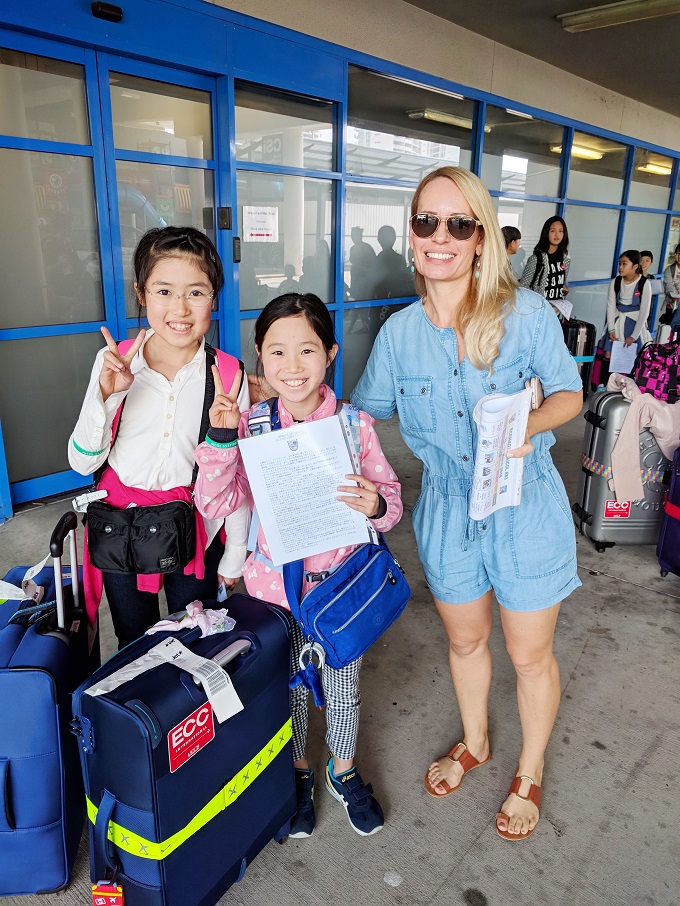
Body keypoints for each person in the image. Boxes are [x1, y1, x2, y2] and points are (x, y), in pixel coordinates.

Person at [351, 166, 583, 841]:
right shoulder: (398, 335)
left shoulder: (526, 314)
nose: (441, 237)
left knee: (529, 654)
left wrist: (527, 427)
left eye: (459, 224)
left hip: (523, 500)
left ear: (480, 236)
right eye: (427, 222)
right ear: (411, 234)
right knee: (465, 638)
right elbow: (361, 420)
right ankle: (476, 741)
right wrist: (284, 391)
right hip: (449, 506)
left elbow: (569, 394)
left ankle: (530, 768)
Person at [193, 292, 403, 839]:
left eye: (307, 350)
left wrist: (375, 505)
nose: (292, 366)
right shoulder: (252, 426)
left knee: (343, 686)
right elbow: (216, 502)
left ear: (330, 353)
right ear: (260, 356)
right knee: (286, 688)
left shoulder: (355, 427)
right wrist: (221, 438)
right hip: (275, 593)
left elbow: (391, 502)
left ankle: (342, 768)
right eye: (277, 351)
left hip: (340, 592)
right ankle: (298, 769)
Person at [68, 227, 250, 648]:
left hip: (196, 531)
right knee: (134, 640)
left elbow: (234, 476)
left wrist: (235, 551)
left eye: (196, 292)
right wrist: (107, 397)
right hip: (120, 528)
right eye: (164, 291)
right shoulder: (115, 361)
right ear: (141, 293)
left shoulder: (228, 374)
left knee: (195, 636)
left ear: (214, 298)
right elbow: (82, 462)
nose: (180, 308)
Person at [596, 250, 652, 387]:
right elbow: (611, 306)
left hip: (634, 323)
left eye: (624, 264)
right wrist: (611, 329)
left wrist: (634, 336)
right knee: (608, 353)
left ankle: (627, 387)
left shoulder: (644, 284)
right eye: (619, 263)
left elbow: (644, 312)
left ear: (635, 266)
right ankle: (604, 386)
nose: (620, 267)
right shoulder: (616, 282)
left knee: (631, 356)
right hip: (617, 321)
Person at [519, 216, 570, 314]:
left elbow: (560, 283)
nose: (557, 235)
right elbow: (523, 286)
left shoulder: (566, 260)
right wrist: (535, 302)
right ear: (546, 233)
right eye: (553, 231)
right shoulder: (536, 259)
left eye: (561, 231)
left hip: (556, 311)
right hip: (538, 311)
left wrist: (564, 290)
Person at [662, 243, 680, 329]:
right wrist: (672, 295)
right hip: (673, 306)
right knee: (670, 330)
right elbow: (668, 286)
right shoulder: (670, 269)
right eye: (678, 254)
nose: (679, 257)